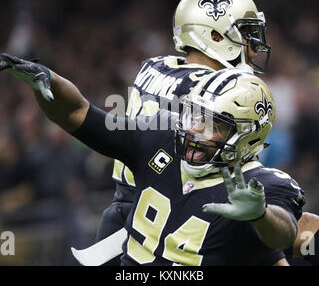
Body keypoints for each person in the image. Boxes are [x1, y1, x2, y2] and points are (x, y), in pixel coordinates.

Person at [0, 46, 304, 265]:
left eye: (213, 124)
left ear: (248, 135)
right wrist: (49, 82)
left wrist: (260, 216)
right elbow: (79, 112)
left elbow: (283, 235)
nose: (195, 128)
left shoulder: (262, 186)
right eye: (195, 115)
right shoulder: (161, 139)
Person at [95, 0, 273, 265]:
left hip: (123, 215)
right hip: (169, 230)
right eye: (246, 33)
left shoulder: (153, 65)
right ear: (214, 36)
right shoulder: (215, 92)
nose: (253, 44)